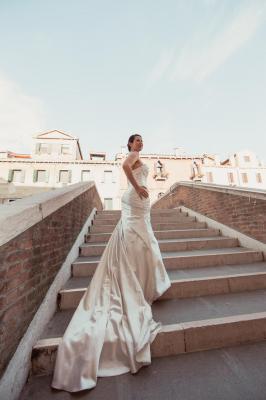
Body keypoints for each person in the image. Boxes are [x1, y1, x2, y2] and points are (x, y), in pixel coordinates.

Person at [51, 134, 171, 392]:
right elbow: (125, 167)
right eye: (136, 141)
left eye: (141, 141)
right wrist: (138, 188)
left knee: (139, 239)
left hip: (137, 204)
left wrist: (139, 189)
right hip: (135, 199)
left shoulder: (139, 157)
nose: (140, 144)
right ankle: (138, 279)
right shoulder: (133, 157)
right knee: (140, 240)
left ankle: (138, 276)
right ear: (129, 145)